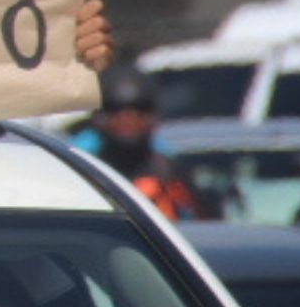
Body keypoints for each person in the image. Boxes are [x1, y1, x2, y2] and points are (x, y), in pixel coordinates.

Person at [69, 63, 215, 219]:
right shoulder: (77, 171)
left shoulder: (172, 174)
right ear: (98, 118)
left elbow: (205, 222)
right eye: (115, 110)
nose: (128, 120)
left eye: (140, 110)